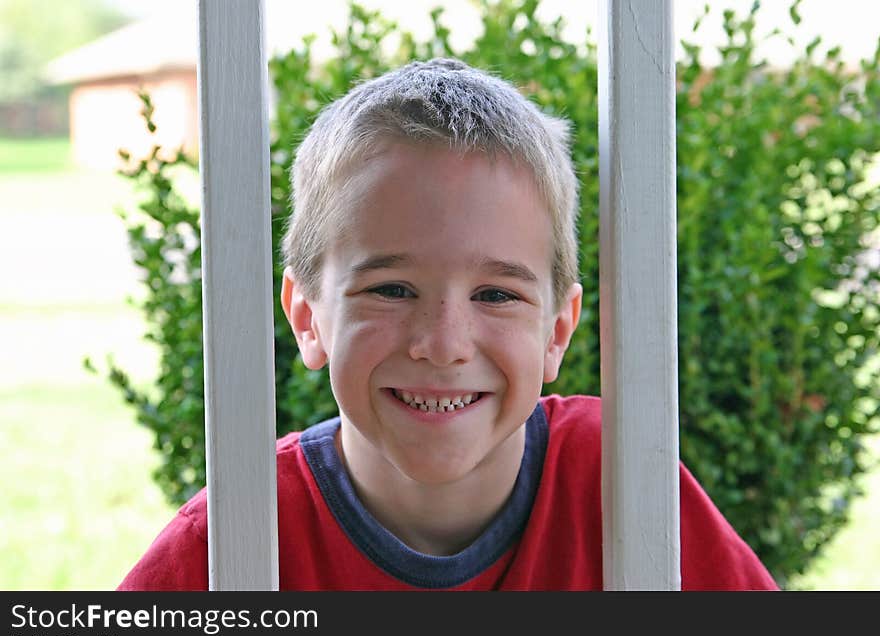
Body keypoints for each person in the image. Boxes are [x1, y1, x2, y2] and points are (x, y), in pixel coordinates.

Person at [118, 58, 778, 591]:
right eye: (392, 289)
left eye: (495, 294)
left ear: (556, 330)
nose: (442, 344)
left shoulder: (617, 473)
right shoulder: (227, 541)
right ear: (308, 317)